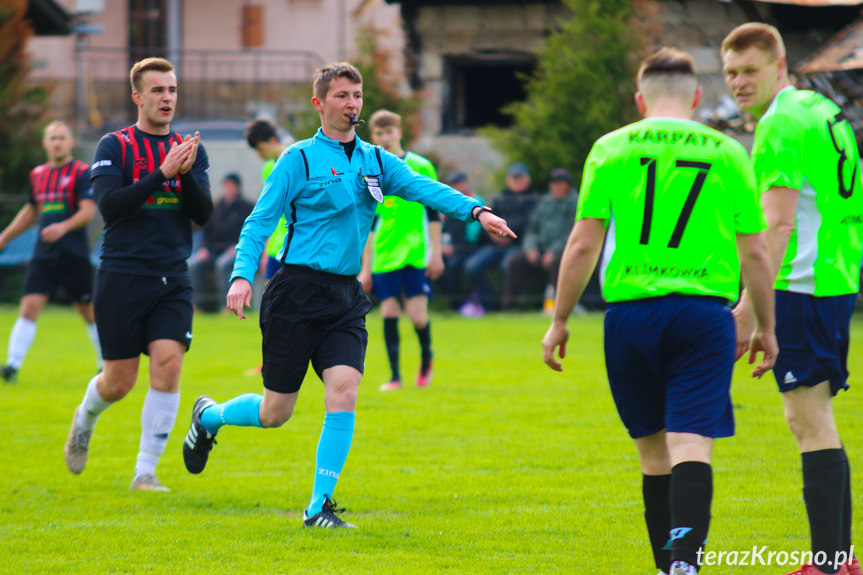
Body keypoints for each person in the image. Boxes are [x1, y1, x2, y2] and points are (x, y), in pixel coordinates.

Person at [181, 62, 514, 528]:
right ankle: (210, 417)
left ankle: (318, 508)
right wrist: (240, 276)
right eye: (341, 95)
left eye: (356, 95)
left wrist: (476, 210)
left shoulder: (375, 160)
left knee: (344, 391)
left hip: (344, 297)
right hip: (295, 293)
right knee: (276, 411)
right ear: (319, 104)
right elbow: (258, 221)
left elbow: (424, 189)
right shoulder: (296, 159)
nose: (352, 104)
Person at [542, 48, 778, 575]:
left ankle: (663, 566)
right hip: (703, 315)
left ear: (639, 99)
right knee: (692, 442)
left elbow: (582, 243)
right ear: (696, 97)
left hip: (630, 318)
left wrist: (559, 318)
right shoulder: (726, 150)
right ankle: (684, 566)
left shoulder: (611, 147)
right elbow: (756, 252)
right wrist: (765, 322)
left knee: (653, 453)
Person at [723, 23, 863, 575]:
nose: (738, 82)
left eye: (750, 70)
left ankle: (829, 563)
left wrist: (749, 310)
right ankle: (840, 558)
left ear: (779, 65)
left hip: (801, 284)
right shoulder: (822, 110)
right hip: (833, 278)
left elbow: (776, 227)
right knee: (816, 417)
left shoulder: (780, 122)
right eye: (731, 72)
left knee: (807, 420)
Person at [63, 57, 213, 491]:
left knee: (168, 366)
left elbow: (202, 214)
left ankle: (144, 472)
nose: (167, 98)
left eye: (172, 90)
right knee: (119, 382)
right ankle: (84, 418)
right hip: (121, 275)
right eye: (158, 90)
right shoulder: (114, 146)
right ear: (138, 97)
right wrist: (162, 173)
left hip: (171, 276)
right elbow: (110, 207)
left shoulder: (190, 148)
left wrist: (183, 175)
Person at [0, 121, 102, 382]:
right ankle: (12, 364)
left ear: (71, 143)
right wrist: (5, 237)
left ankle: (105, 363)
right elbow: (31, 211)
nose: (57, 142)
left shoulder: (81, 172)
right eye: (53, 138)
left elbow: (88, 211)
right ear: (45, 143)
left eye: (62, 138)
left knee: (87, 311)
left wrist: (63, 227)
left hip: (73, 253)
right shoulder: (38, 174)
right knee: (29, 307)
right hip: (43, 254)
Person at [359, 109, 442, 391]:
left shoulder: (421, 165)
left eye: (389, 131)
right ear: (373, 137)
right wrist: (365, 266)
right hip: (384, 255)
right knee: (390, 314)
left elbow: (434, 213)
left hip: (416, 253)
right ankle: (395, 377)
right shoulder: (371, 169)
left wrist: (437, 252)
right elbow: (369, 223)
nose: (385, 137)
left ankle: (426, 358)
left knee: (418, 316)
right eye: (379, 133)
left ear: (399, 132)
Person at [464, 162, 539, 312]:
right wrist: (494, 235)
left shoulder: (534, 199)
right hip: (495, 245)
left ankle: (509, 307)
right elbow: (486, 220)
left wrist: (507, 233)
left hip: (519, 245)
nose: (516, 180)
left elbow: (531, 224)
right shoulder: (500, 198)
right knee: (471, 266)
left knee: (508, 265)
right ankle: (490, 305)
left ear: (527, 179)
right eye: (513, 177)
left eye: (520, 177)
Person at [504, 167, 579, 312]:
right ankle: (509, 309)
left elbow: (572, 232)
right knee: (515, 262)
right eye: (554, 183)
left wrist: (554, 251)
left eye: (560, 183)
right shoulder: (544, 203)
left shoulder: (576, 203)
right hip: (541, 250)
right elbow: (532, 229)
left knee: (556, 265)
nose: (556, 187)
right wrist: (531, 248)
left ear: (568, 185)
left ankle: (558, 308)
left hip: (564, 251)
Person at [189, 173, 254, 311]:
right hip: (213, 249)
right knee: (193, 264)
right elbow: (206, 232)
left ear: (237, 188)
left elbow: (250, 231)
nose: (228, 190)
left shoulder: (247, 208)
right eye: (226, 187)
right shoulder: (217, 208)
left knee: (222, 264)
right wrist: (203, 248)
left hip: (235, 249)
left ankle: (226, 306)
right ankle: (198, 304)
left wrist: (239, 246)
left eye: (231, 187)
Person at [245, 118, 288, 282]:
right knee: (270, 299)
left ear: (273, 140)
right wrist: (266, 251)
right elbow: (271, 213)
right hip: (275, 247)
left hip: (296, 246)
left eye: (261, 148)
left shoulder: (298, 160)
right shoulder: (268, 168)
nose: (259, 154)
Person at [437, 171, 485, 315]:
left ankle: (467, 302)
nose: (456, 187)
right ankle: (455, 303)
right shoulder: (449, 203)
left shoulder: (477, 201)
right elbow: (442, 228)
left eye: (458, 184)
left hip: (473, 248)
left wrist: (456, 248)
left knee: (458, 266)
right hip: (453, 248)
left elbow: (474, 234)